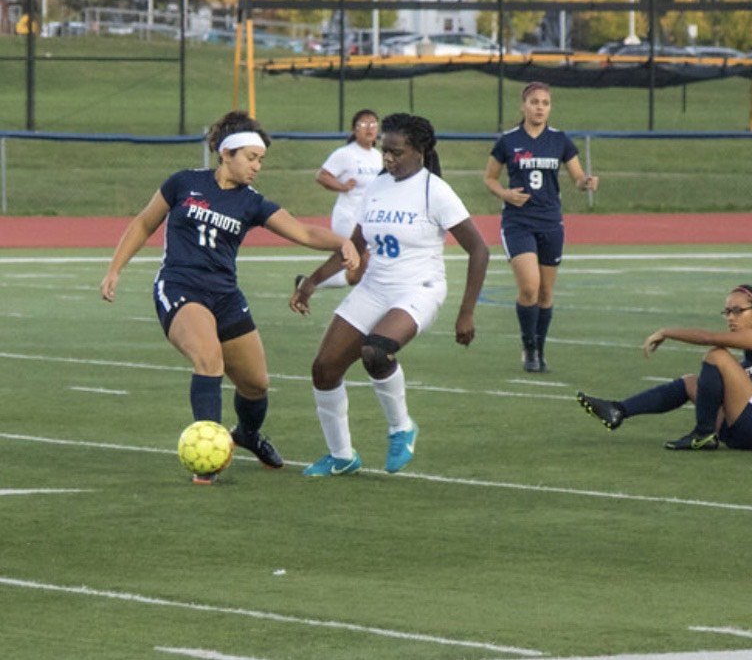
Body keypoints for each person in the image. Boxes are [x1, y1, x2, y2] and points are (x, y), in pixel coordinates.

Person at [100, 111, 361, 484]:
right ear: (227, 154)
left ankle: (247, 435)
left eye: (261, 161)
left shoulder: (251, 202)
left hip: (224, 294)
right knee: (209, 360)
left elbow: (302, 231)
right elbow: (143, 222)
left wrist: (342, 241)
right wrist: (114, 269)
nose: (257, 167)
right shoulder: (184, 182)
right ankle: (205, 460)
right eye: (251, 158)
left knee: (256, 385)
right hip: (179, 287)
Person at [290, 112, 489, 477]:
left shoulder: (436, 191)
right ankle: (342, 455)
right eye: (385, 150)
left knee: (376, 350)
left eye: (396, 152)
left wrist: (466, 313)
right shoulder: (378, 187)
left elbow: (479, 249)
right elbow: (354, 246)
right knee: (324, 369)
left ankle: (401, 428)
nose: (388, 158)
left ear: (420, 151)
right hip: (374, 286)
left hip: (419, 289)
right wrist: (313, 281)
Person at [577, 284, 752, 452]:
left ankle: (703, 434)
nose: (731, 318)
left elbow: (709, 338)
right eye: (727, 312)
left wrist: (666, 332)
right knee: (691, 383)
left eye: (738, 311)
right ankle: (618, 410)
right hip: (749, 431)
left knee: (717, 355)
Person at [483, 81, 598, 373]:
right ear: (523, 106)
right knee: (530, 288)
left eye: (545, 103)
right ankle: (529, 348)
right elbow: (490, 178)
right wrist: (506, 194)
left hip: (550, 221)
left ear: (550, 108)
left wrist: (586, 183)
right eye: (534, 102)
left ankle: (541, 348)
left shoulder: (560, 140)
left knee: (546, 293)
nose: (539, 108)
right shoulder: (508, 141)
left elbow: (576, 178)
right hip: (518, 222)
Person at [297, 108, 382, 291]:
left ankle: (308, 284)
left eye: (373, 124)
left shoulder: (378, 156)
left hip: (369, 218)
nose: (369, 128)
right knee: (361, 257)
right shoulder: (346, 154)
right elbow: (322, 176)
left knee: (357, 272)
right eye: (363, 124)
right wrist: (342, 186)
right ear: (354, 130)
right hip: (348, 216)